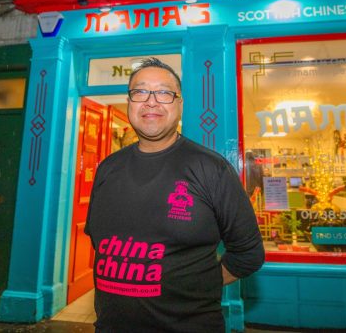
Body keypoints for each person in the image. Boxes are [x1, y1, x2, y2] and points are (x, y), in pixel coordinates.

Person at [85, 57, 265, 333]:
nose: (151, 101)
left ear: (180, 105)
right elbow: (102, 243)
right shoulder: (108, 168)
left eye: (164, 93)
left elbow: (248, 254)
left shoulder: (210, 168)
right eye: (140, 92)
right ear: (130, 102)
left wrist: (197, 286)